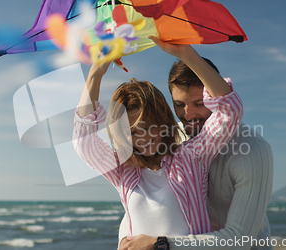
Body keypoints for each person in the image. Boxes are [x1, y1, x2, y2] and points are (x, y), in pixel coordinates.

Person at [73, 37, 243, 248]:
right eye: (133, 132)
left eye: (149, 125)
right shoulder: (123, 170)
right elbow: (84, 142)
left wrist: (186, 55)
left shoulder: (190, 158)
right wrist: (95, 74)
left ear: (162, 120)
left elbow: (229, 112)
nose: (143, 137)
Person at [118, 38, 274, 250]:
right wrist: (126, 240)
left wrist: (160, 245)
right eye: (180, 105)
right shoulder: (174, 140)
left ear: (212, 97)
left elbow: (240, 240)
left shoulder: (252, 149)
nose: (188, 114)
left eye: (199, 103)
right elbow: (141, 199)